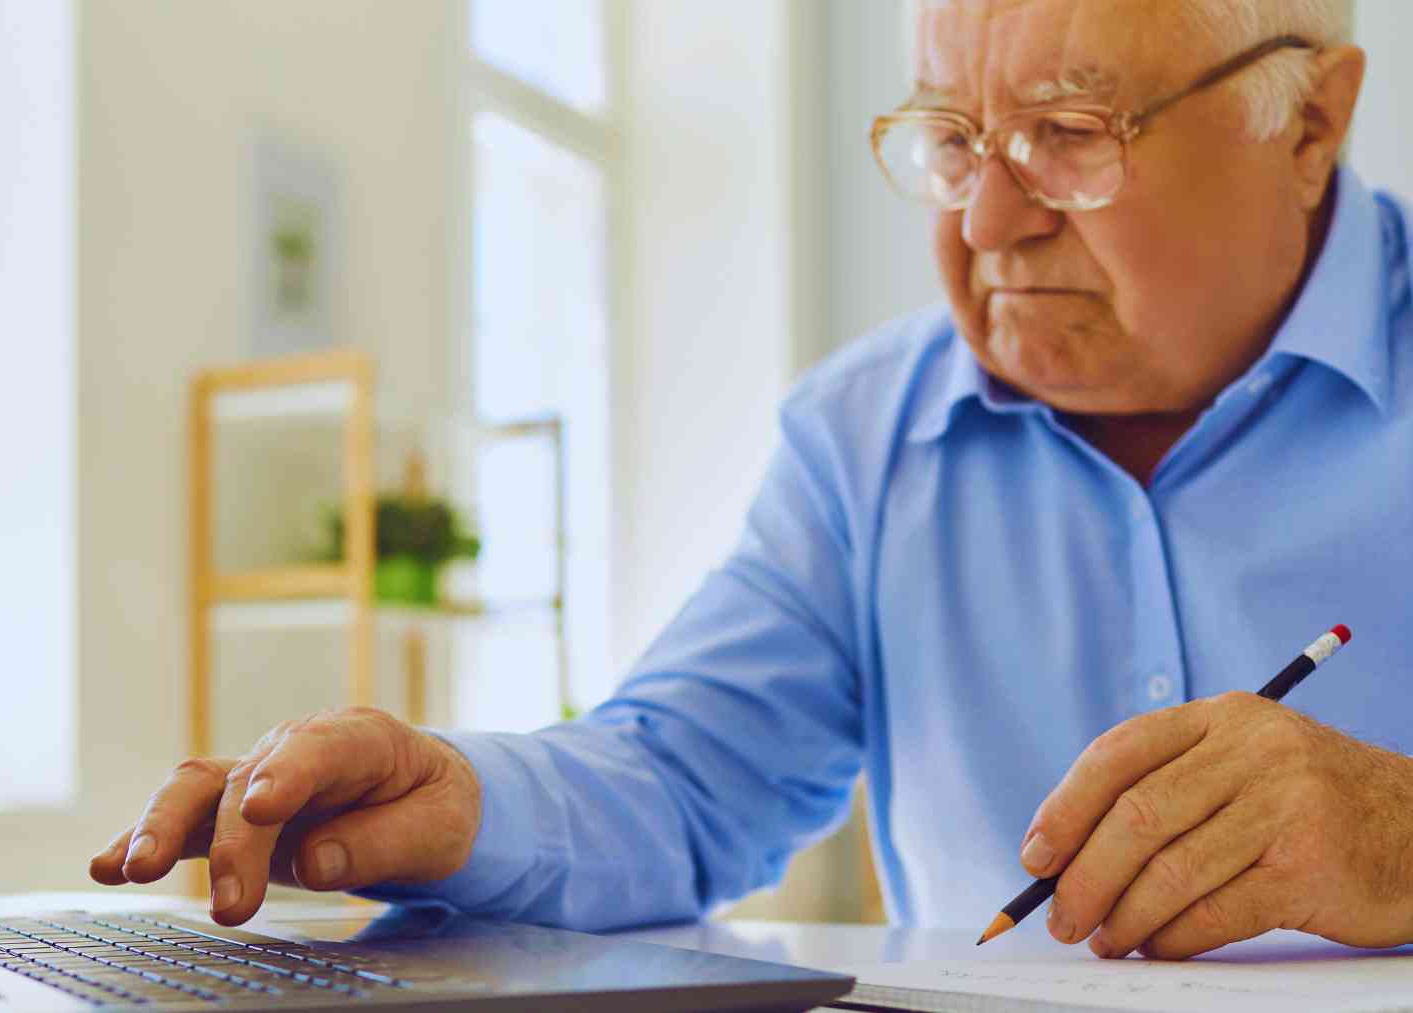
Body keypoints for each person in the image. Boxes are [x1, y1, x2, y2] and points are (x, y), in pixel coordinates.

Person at [92, 0, 1413, 961]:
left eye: (1070, 132)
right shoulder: (860, 434)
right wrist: (455, 799)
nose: (985, 222)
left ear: (1311, 121)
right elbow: (677, 782)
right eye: (953, 139)